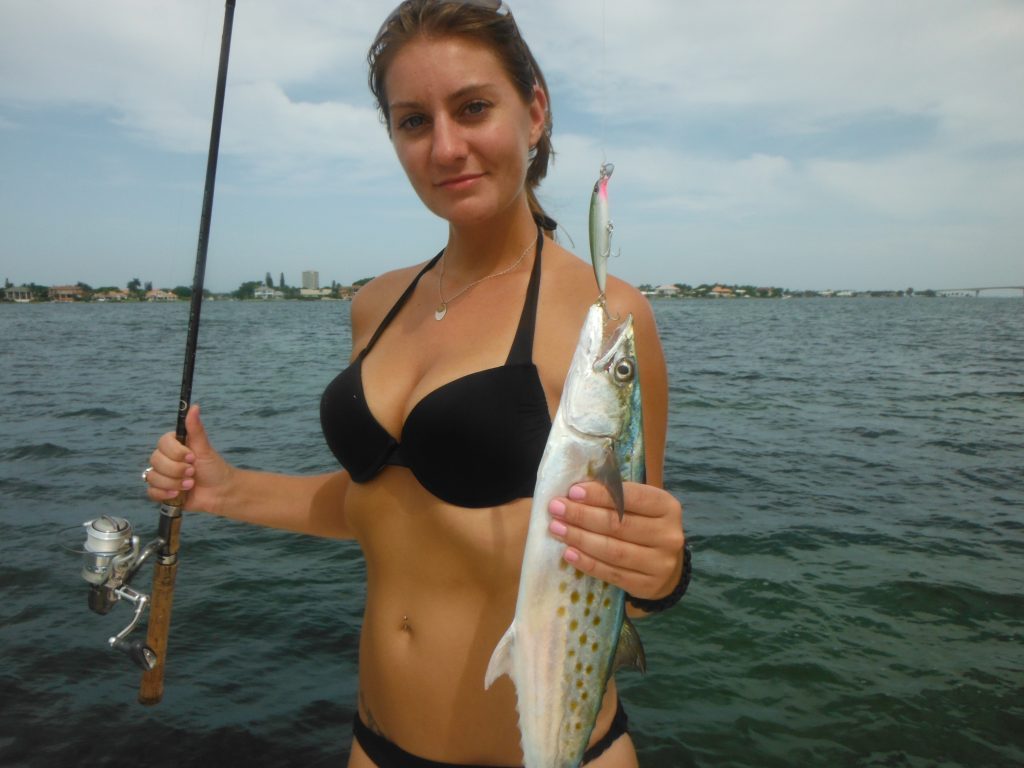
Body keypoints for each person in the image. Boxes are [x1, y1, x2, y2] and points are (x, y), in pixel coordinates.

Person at [144, 1, 687, 766]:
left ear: (534, 112)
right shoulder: (376, 303)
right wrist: (223, 489)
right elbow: (382, 507)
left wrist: (666, 569)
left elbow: (635, 563)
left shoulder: (608, 318)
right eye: (412, 121)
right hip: (375, 744)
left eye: (472, 108)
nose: (446, 146)